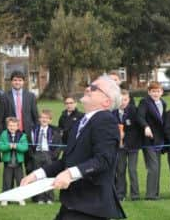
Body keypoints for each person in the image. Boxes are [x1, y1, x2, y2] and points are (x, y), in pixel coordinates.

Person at [22, 75, 126, 220]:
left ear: (106, 101)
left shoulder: (105, 120)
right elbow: (66, 161)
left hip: (91, 206)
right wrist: (37, 174)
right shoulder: (80, 123)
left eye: (95, 88)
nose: (88, 88)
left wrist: (70, 174)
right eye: (90, 85)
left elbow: (103, 160)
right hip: (72, 204)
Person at [137, 81, 166, 200]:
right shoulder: (144, 102)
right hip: (148, 140)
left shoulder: (163, 103)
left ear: (162, 92)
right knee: (153, 167)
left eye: (158, 91)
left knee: (157, 167)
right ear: (149, 92)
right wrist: (146, 126)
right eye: (153, 91)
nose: (156, 93)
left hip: (159, 141)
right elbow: (139, 116)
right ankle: (150, 195)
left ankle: (156, 194)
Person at [113, 89, 141, 201]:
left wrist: (126, 138)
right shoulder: (113, 113)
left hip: (133, 146)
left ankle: (135, 194)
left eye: (125, 100)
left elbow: (137, 129)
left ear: (129, 100)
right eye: (120, 100)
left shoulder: (134, 111)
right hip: (119, 147)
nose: (123, 102)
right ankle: (121, 194)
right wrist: (118, 136)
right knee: (120, 170)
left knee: (132, 170)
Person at [30, 109, 61, 204]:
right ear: (39, 119)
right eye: (42, 117)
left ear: (50, 120)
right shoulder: (34, 130)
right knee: (38, 176)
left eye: (46, 118)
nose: (44, 119)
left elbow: (58, 146)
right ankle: (40, 198)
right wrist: (33, 155)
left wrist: (53, 156)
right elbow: (30, 144)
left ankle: (49, 197)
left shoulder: (54, 131)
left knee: (48, 175)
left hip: (49, 154)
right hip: (37, 154)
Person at [0, 117, 29, 206]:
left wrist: (16, 146)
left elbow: (25, 147)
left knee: (20, 181)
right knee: (7, 181)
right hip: (8, 163)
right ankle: (5, 198)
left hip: (18, 163)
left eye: (14, 126)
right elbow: (0, 147)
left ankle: (20, 198)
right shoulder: (4, 134)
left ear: (17, 126)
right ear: (7, 126)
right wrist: (9, 146)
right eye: (10, 125)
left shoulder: (22, 135)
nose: (12, 127)